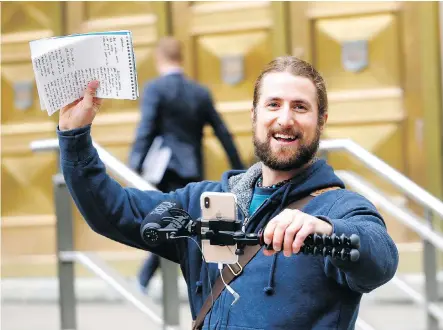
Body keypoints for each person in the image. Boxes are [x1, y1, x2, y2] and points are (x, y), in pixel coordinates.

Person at [56, 56, 399, 329]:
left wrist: (325, 229)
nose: (285, 118)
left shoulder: (340, 205)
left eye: (300, 107)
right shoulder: (205, 202)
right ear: (254, 116)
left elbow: (379, 256)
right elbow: (112, 210)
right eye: (273, 104)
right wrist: (74, 136)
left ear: (321, 121)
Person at [127, 37, 245, 293]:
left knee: (171, 225)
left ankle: (147, 279)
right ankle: (202, 282)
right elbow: (223, 133)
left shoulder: (156, 89)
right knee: (184, 226)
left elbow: (145, 130)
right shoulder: (199, 92)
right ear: (181, 58)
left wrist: (133, 166)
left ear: (160, 59)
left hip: (166, 171)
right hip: (193, 171)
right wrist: (240, 168)